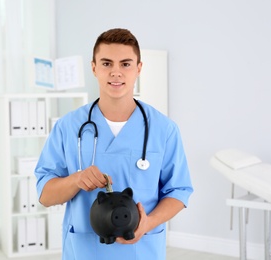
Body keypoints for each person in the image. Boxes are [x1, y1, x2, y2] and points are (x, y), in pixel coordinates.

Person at [34, 28, 193, 260]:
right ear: (94, 68)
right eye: (107, 64)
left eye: (126, 64)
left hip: (142, 251)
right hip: (85, 250)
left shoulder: (164, 129)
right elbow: (46, 196)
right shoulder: (68, 127)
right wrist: (76, 179)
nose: (116, 72)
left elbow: (179, 191)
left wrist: (148, 223)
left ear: (139, 68)